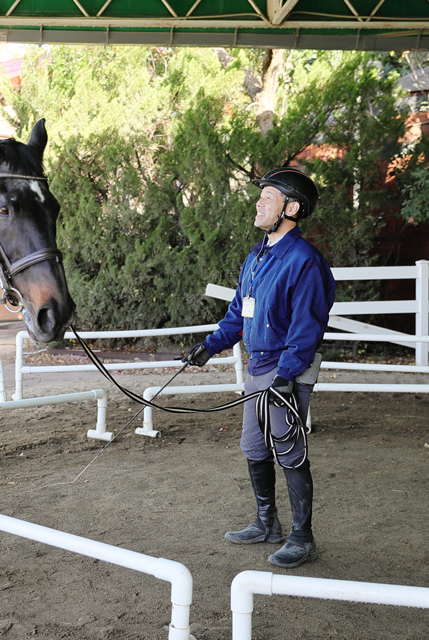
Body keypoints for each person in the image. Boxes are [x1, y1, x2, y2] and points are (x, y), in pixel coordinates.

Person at [183, 167, 335, 568]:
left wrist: (286, 378)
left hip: (285, 370)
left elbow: (307, 327)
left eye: (268, 197)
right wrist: (209, 346)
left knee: (289, 450)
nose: (259, 202)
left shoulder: (305, 262)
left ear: (292, 208)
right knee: (254, 447)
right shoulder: (256, 257)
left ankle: (303, 539)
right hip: (257, 367)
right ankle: (267, 523)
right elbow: (238, 314)